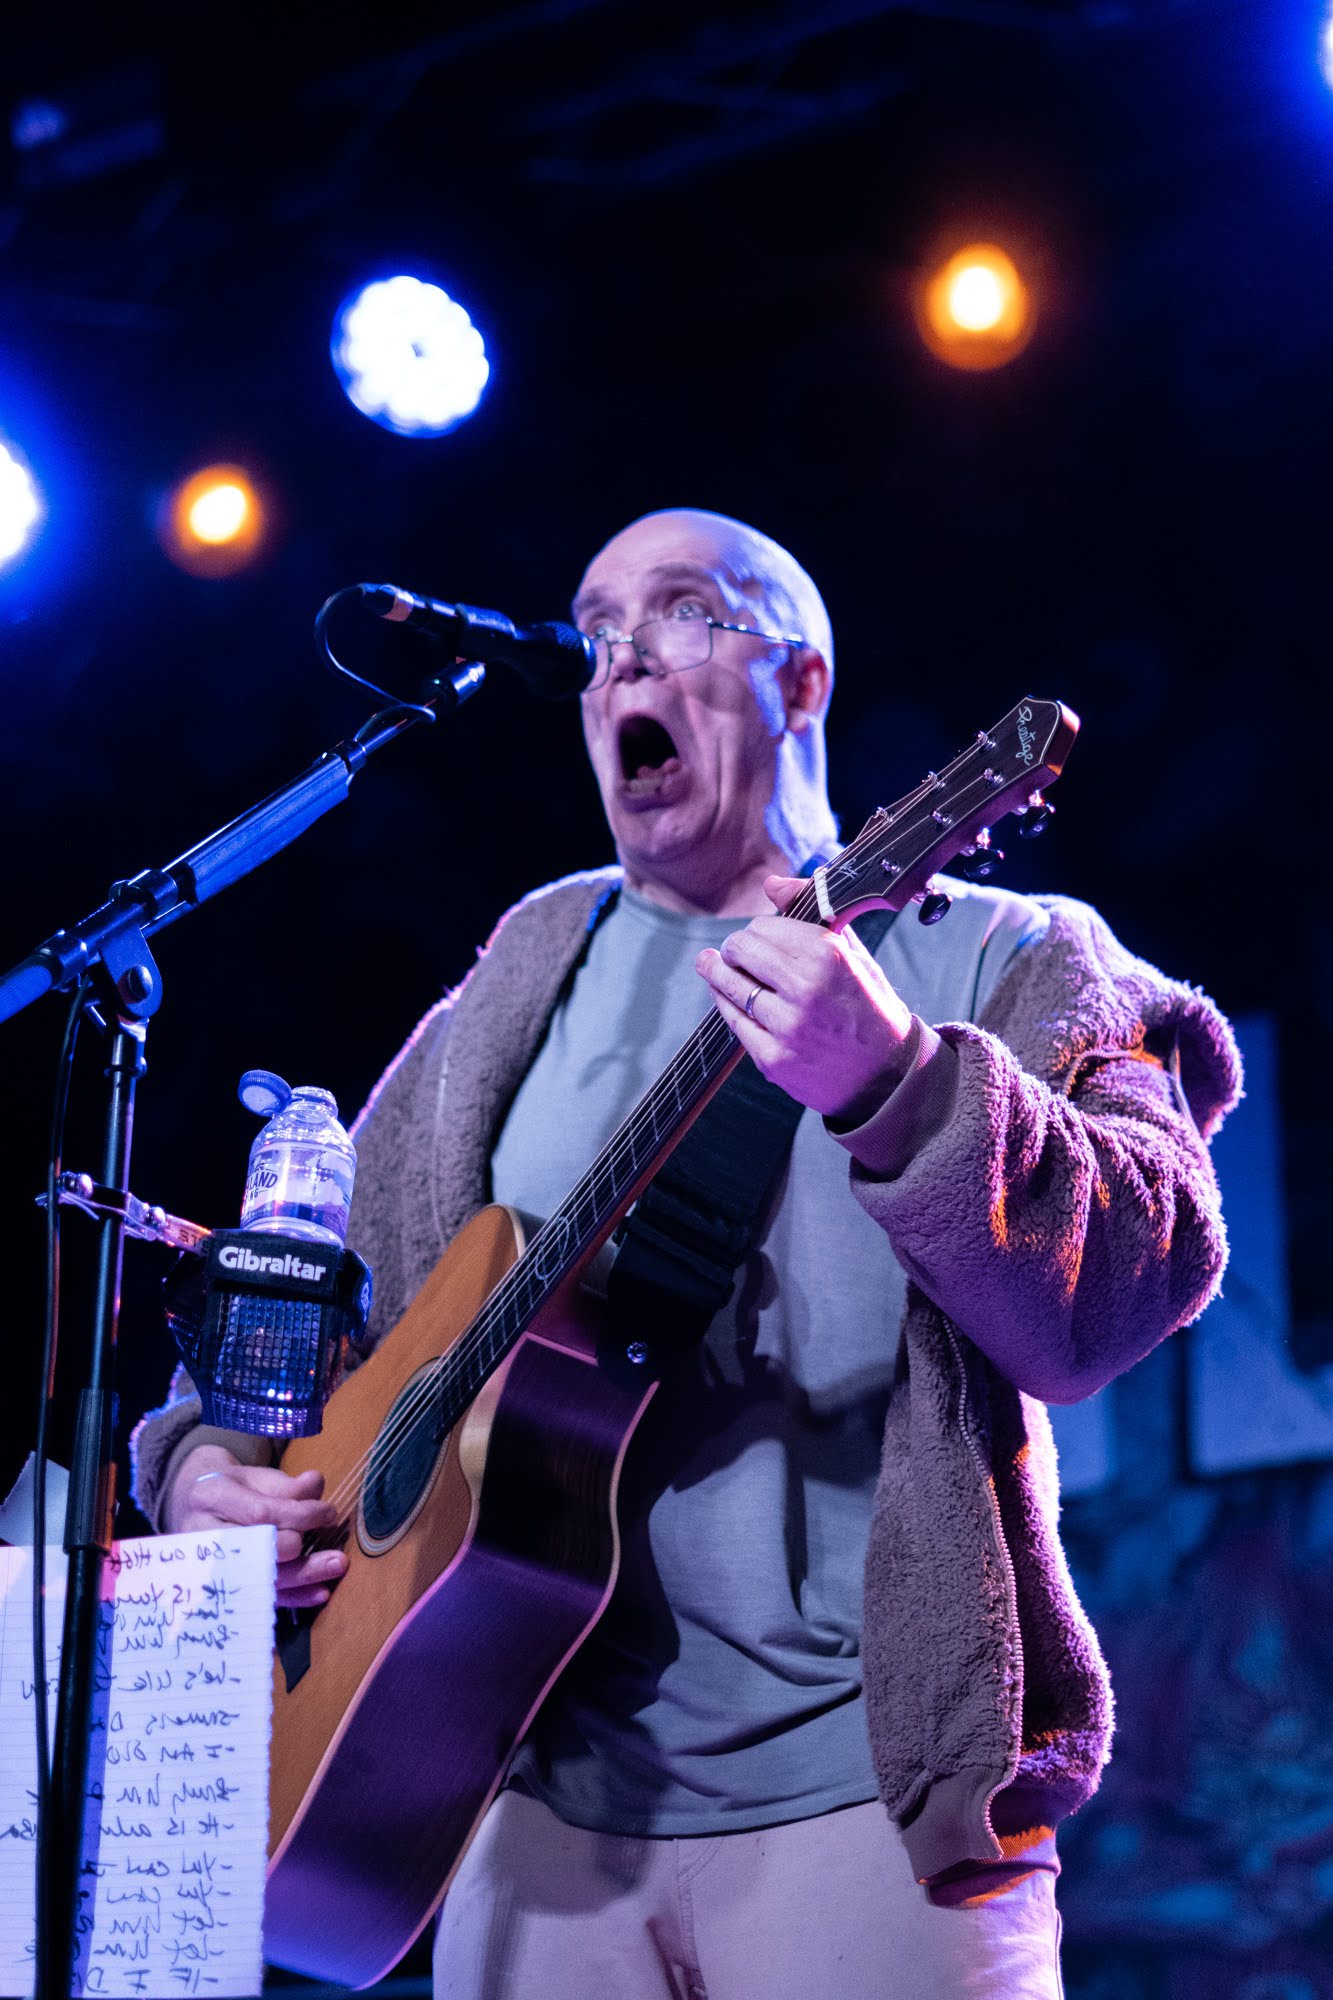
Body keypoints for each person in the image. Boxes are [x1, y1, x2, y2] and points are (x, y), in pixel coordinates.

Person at [132, 508, 1240, 2000]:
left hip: (868, 1815)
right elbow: (315, 1321)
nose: (619, 660)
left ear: (799, 685)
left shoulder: (1009, 953)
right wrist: (203, 1458)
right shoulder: (511, 996)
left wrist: (904, 1082)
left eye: (681, 612)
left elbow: (1136, 1275)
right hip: (523, 1818)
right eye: (595, 634)